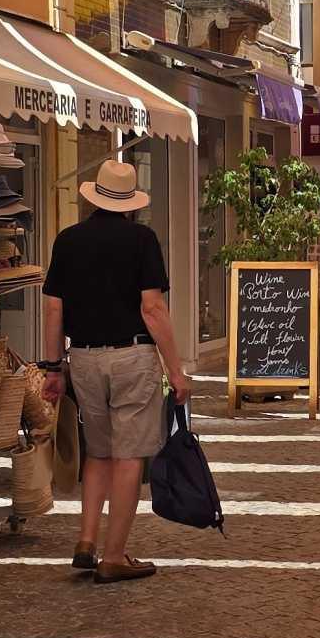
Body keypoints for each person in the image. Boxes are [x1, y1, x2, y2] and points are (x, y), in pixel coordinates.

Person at [42, 157, 190, 582]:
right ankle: (114, 555)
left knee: (99, 452)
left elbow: (54, 308)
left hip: (84, 359)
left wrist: (54, 366)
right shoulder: (142, 240)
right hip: (132, 358)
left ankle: (86, 540)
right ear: (130, 203)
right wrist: (176, 372)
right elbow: (153, 308)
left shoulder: (67, 240)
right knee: (128, 458)